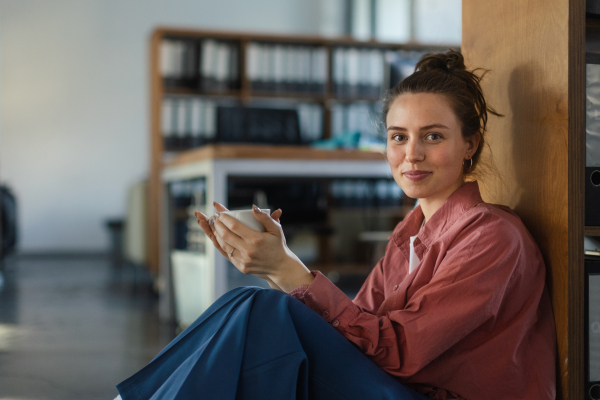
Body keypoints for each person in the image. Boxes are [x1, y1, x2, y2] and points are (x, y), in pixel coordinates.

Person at [115, 50, 557, 400]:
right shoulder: (411, 232)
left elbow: (399, 353)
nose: (411, 154)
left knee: (263, 317)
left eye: (433, 136)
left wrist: (290, 273)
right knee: (252, 305)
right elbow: (354, 328)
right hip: (397, 386)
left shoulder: (492, 237)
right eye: (398, 136)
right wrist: (277, 267)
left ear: (470, 144)